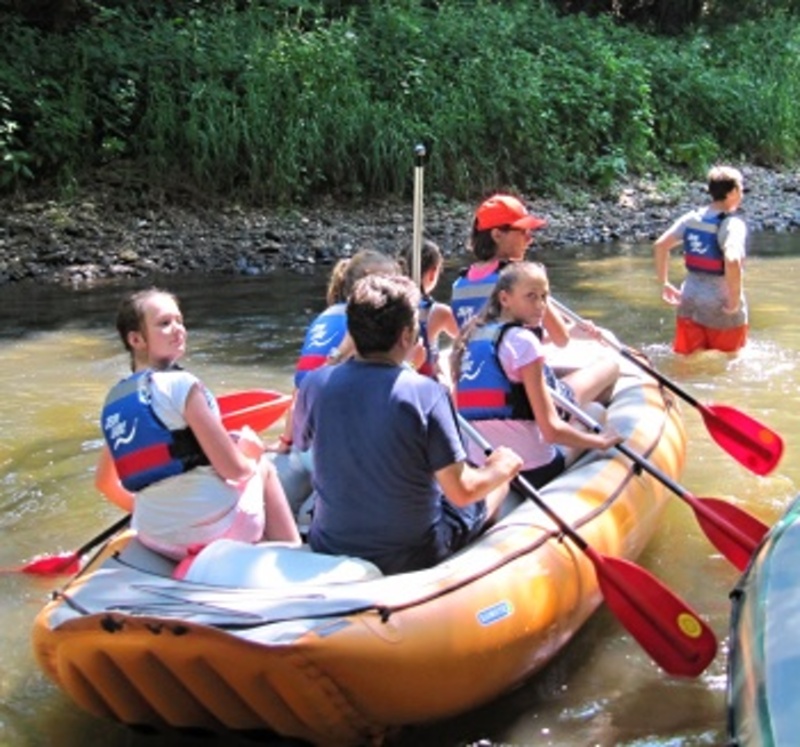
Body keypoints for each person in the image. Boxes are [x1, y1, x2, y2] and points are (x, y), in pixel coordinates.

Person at [293, 273, 523, 575]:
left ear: (352, 332)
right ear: (406, 336)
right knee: (496, 487)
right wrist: (501, 468)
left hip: (330, 543)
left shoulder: (314, 384)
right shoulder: (427, 392)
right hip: (412, 553)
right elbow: (462, 491)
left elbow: (302, 440)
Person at [95, 287, 301, 559]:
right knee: (261, 468)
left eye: (179, 320)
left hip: (155, 538)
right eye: (164, 323)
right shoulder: (183, 385)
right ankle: (293, 551)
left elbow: (104, 483)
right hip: (214, 536)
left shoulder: (118, 402)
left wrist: (158, 514)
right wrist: (251, 453)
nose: (178, 329)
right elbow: (235, 471)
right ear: (136, 339)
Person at [452, 262, 621, 488]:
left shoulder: (468, 338)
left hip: (484, 464)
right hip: (535, 468)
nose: (540, 305)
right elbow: (551, 431)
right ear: (504, 298)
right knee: (595, 410)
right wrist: (600, 441)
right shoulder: (523, 341)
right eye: (531, 296)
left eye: (544, 297)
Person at [272, 249, 399, 454]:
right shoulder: (367, 323)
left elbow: (300, 389)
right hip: (335, 450)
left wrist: (285, 442)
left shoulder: (324, 317)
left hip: (303, 445)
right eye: (391, 283)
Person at [653, 165, 749, 354]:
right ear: (732, 192)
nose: (742, 194)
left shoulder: (692, 218)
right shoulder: (732, 224)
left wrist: (664, 283)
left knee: (686, 361)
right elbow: (732, 260)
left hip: (689, 300)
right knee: (731, 361)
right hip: (721, 305)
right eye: (741, 189)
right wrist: (734, 301)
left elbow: (660, 245)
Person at [451, 193, 554, 332]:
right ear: (497, 235)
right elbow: (561, 338)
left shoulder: (459, 284)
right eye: (523, 232)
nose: (530, 239)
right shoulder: (518, 278)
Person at [399, 238, 458, 380]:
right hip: (424, 385)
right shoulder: (439, 312)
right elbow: (467, 339)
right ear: (433, 273)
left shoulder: (389, 308)